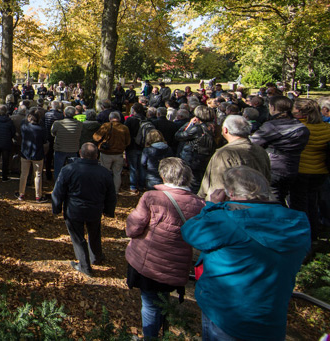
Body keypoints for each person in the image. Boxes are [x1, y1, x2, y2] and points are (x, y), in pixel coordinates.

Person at [182, 166, 311, 341]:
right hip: (271, 316)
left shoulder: (226, 220)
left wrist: (211, 206)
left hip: (226, 315)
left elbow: (190, 231)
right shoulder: (298, 224)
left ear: (231, 193)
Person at [125, 158, 205, 339]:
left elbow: (133, 227)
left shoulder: (152, 198)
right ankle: (162, 331)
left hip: (150, 262)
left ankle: (151, 337)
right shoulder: (200, 204)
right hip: (176, 265)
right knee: (162, 299)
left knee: (150, 304)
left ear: (163, 175)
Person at [51, 143, 117, 276]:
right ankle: (95, 257)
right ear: (96, 155)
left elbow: (58, 191)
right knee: (94, 233)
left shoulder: (69, 170)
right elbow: (111, 194)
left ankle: (85, 265)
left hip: (74, 210)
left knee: (78, 238)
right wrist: (109, 210)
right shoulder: (104, 173)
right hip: (94, 210)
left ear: (80, 152)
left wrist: (56, 207)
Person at [250, 95, 310, 205]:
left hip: (275, 168)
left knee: (274, 199)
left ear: (273, 108)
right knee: (288, 198)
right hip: (293, 167)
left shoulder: (272, 126)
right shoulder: (300, 125)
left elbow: (253, 142)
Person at [197, 115, 271, 199]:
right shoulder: (260, 150)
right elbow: (267, 178)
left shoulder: (224, 154)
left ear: (225, 130)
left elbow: (218, 189)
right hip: (258, 203)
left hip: (232, 206)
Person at [290, 98, 330, 241]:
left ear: (300, 112)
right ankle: (314, 232)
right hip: (320, 171)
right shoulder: (326, 128)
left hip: (301, 170)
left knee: (299, 205)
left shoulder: (297, 128)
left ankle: (303, 237)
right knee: (312, 203)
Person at [174, 105, 217, 192]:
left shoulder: (197, 129)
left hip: (193, 158)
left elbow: (178, 136)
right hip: (206, 157)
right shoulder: (214, 127)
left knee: (193, 183)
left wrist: (189, 125)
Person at [93, 111, 131, 193]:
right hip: (119, 154)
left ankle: (104, 190)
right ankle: (115, 191)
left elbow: (96, 137)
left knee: (104, 173)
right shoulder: (124, 128)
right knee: (117, 174)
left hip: (106, 153)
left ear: (110, 118)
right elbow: (128, 142)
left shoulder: (106, 126)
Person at [18, 112, 46, 202]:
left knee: (24, 174)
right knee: (37, 175)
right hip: (37, 154)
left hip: (25, 153)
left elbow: (22, 124)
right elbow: (44, 141)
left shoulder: (25, 127)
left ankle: (21, 194)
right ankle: (38, 196)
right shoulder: (41, 129)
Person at [50, 106, 82, 184]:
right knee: (72, 170)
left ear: (64, 113)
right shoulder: (79, 124)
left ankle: (58, 185)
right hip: (73, 149)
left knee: (58, 169)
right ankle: (71, 185)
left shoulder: (57, 123)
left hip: (60, 149)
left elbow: (52, 133)